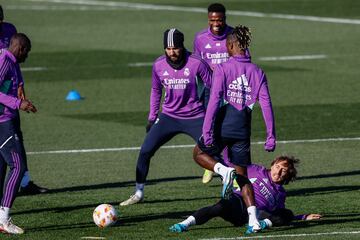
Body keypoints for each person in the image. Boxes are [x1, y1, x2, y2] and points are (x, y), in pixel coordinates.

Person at [193, 25, 276, 232]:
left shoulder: (222, 69)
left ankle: (222, 170)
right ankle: (254, 221)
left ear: (230, 46)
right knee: (243, 176)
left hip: (223, 127)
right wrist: (270, 136)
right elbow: (266, 105)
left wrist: (207, 131)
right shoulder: (258, 72)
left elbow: (213, 102)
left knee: (198, 154)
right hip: (242, 132)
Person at [119, 28, 213, 206]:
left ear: (182, 46)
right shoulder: (158, 65)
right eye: (168, 48)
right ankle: (138, 192)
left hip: (195, 116)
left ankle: (236, 185)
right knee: (145, 151)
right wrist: (152, 117)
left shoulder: (196, 63)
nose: (172, 52)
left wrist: (212, 114)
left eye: (175, 48)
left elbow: (214, 87)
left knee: (218, 150)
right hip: (168, 116)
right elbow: (156, 90)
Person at [169, 156, 322, 234]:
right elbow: (230, 163)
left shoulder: (280, 193)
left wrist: (302, 217)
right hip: (238, 203)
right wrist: (213, 162)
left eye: (283, 171)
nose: (278, 172)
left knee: (287, 213)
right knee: (219, 207)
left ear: (288, 176)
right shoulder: (256, 170)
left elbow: (278, 215)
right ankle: (184, 224)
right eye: (277, 167)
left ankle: (260, 225)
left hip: (248, 218)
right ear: (272, 165)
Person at [193, 3, 251, 184]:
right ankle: (211, 164)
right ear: (208, 19)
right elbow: (197, 62)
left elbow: (246, 59)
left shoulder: (234, 35)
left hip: (232, 90)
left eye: (219, 20)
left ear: (225, 19)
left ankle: (231, 172)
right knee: (212, 126)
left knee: (229, 130)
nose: (216, 23)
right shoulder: (200, 38)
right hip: (211, 89)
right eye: (212, 20)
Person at [0, 5, 48, 195]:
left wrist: (19, 83)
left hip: (8, 97)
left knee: (15, 136)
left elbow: (14, 60)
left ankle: (24, 182)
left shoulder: (10, 30)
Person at [0, 33, 37, 234]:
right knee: (18, 165)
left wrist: (20, 89)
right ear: (20, 49)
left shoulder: (11, 61)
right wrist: (18, 103)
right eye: (27, 52)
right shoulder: (4, 61)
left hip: (6, 119)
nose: (27, 57)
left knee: (1, 168)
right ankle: (4, 220)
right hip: (2, 122)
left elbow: (14, 79)